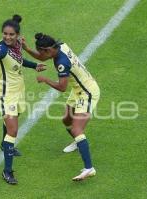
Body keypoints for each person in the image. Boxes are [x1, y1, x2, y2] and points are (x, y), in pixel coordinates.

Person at [0, 15, 45, 185]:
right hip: (7, 96)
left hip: (19, 92)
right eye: (5, 34)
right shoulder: (1, 49)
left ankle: (3, 145)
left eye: (11, 34)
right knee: (13, 131)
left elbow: (20, 61)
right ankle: (7, 172)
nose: (7, 37)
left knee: (10, 125)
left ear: (17, 35)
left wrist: (34, 65)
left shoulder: (17, 46)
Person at [22, 33, 100, 181]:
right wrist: (26, 48)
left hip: (87, 92)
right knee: (66, 120)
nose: (41, 54)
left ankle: (89, 168)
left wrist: (45, 79)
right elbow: (42, 57)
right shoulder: (60, 46)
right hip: (78, 90)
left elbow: (62, 87)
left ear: (47, 49)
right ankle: (79, 142)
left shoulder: (61, 62)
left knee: (77, 128)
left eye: (41, 51)